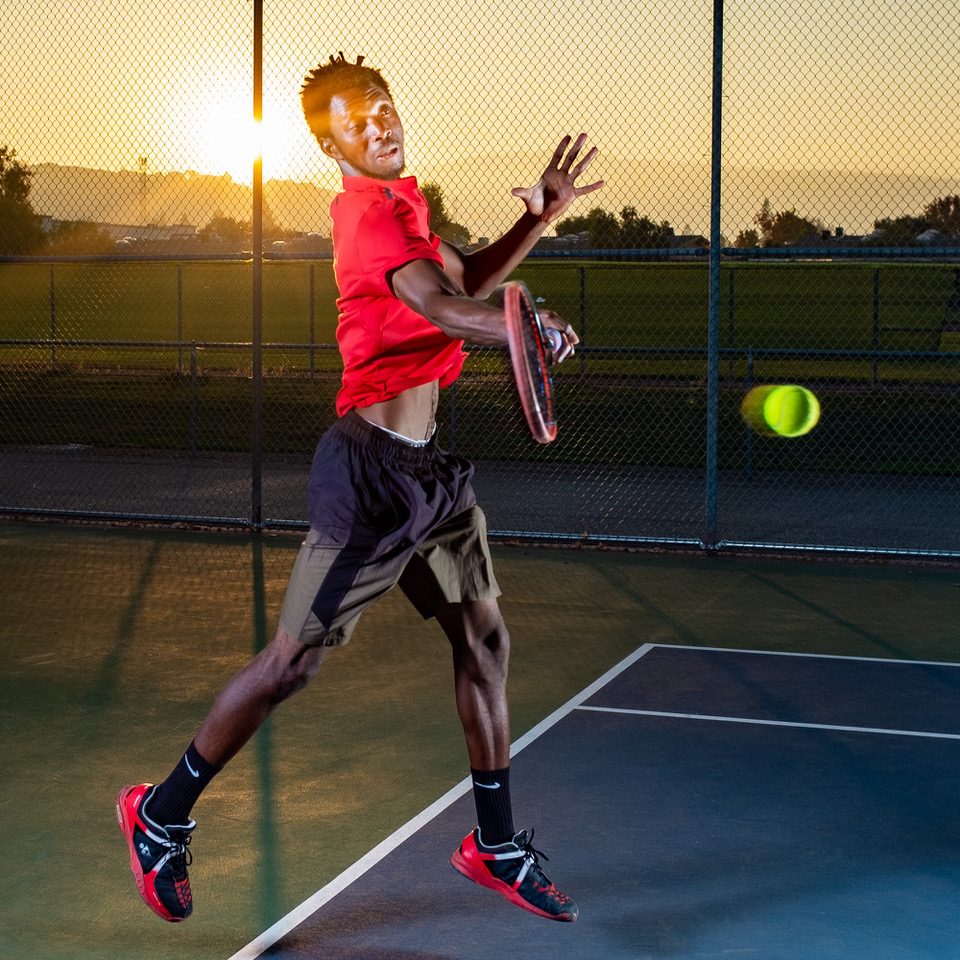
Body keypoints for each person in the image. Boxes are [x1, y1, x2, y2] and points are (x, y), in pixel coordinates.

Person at [116, 52, 602, 926]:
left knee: (484, 641)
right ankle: (161, 814)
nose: (379, 124)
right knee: (292, 663)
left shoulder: (406, 205)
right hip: (369, 476)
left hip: (432, 478)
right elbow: (440, 308)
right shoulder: (368, 219)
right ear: (329, 144)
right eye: (356, 120)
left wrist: (535, 221)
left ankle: (493, 847)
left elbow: (463, 282)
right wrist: (523, 327)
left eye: (384, 107)